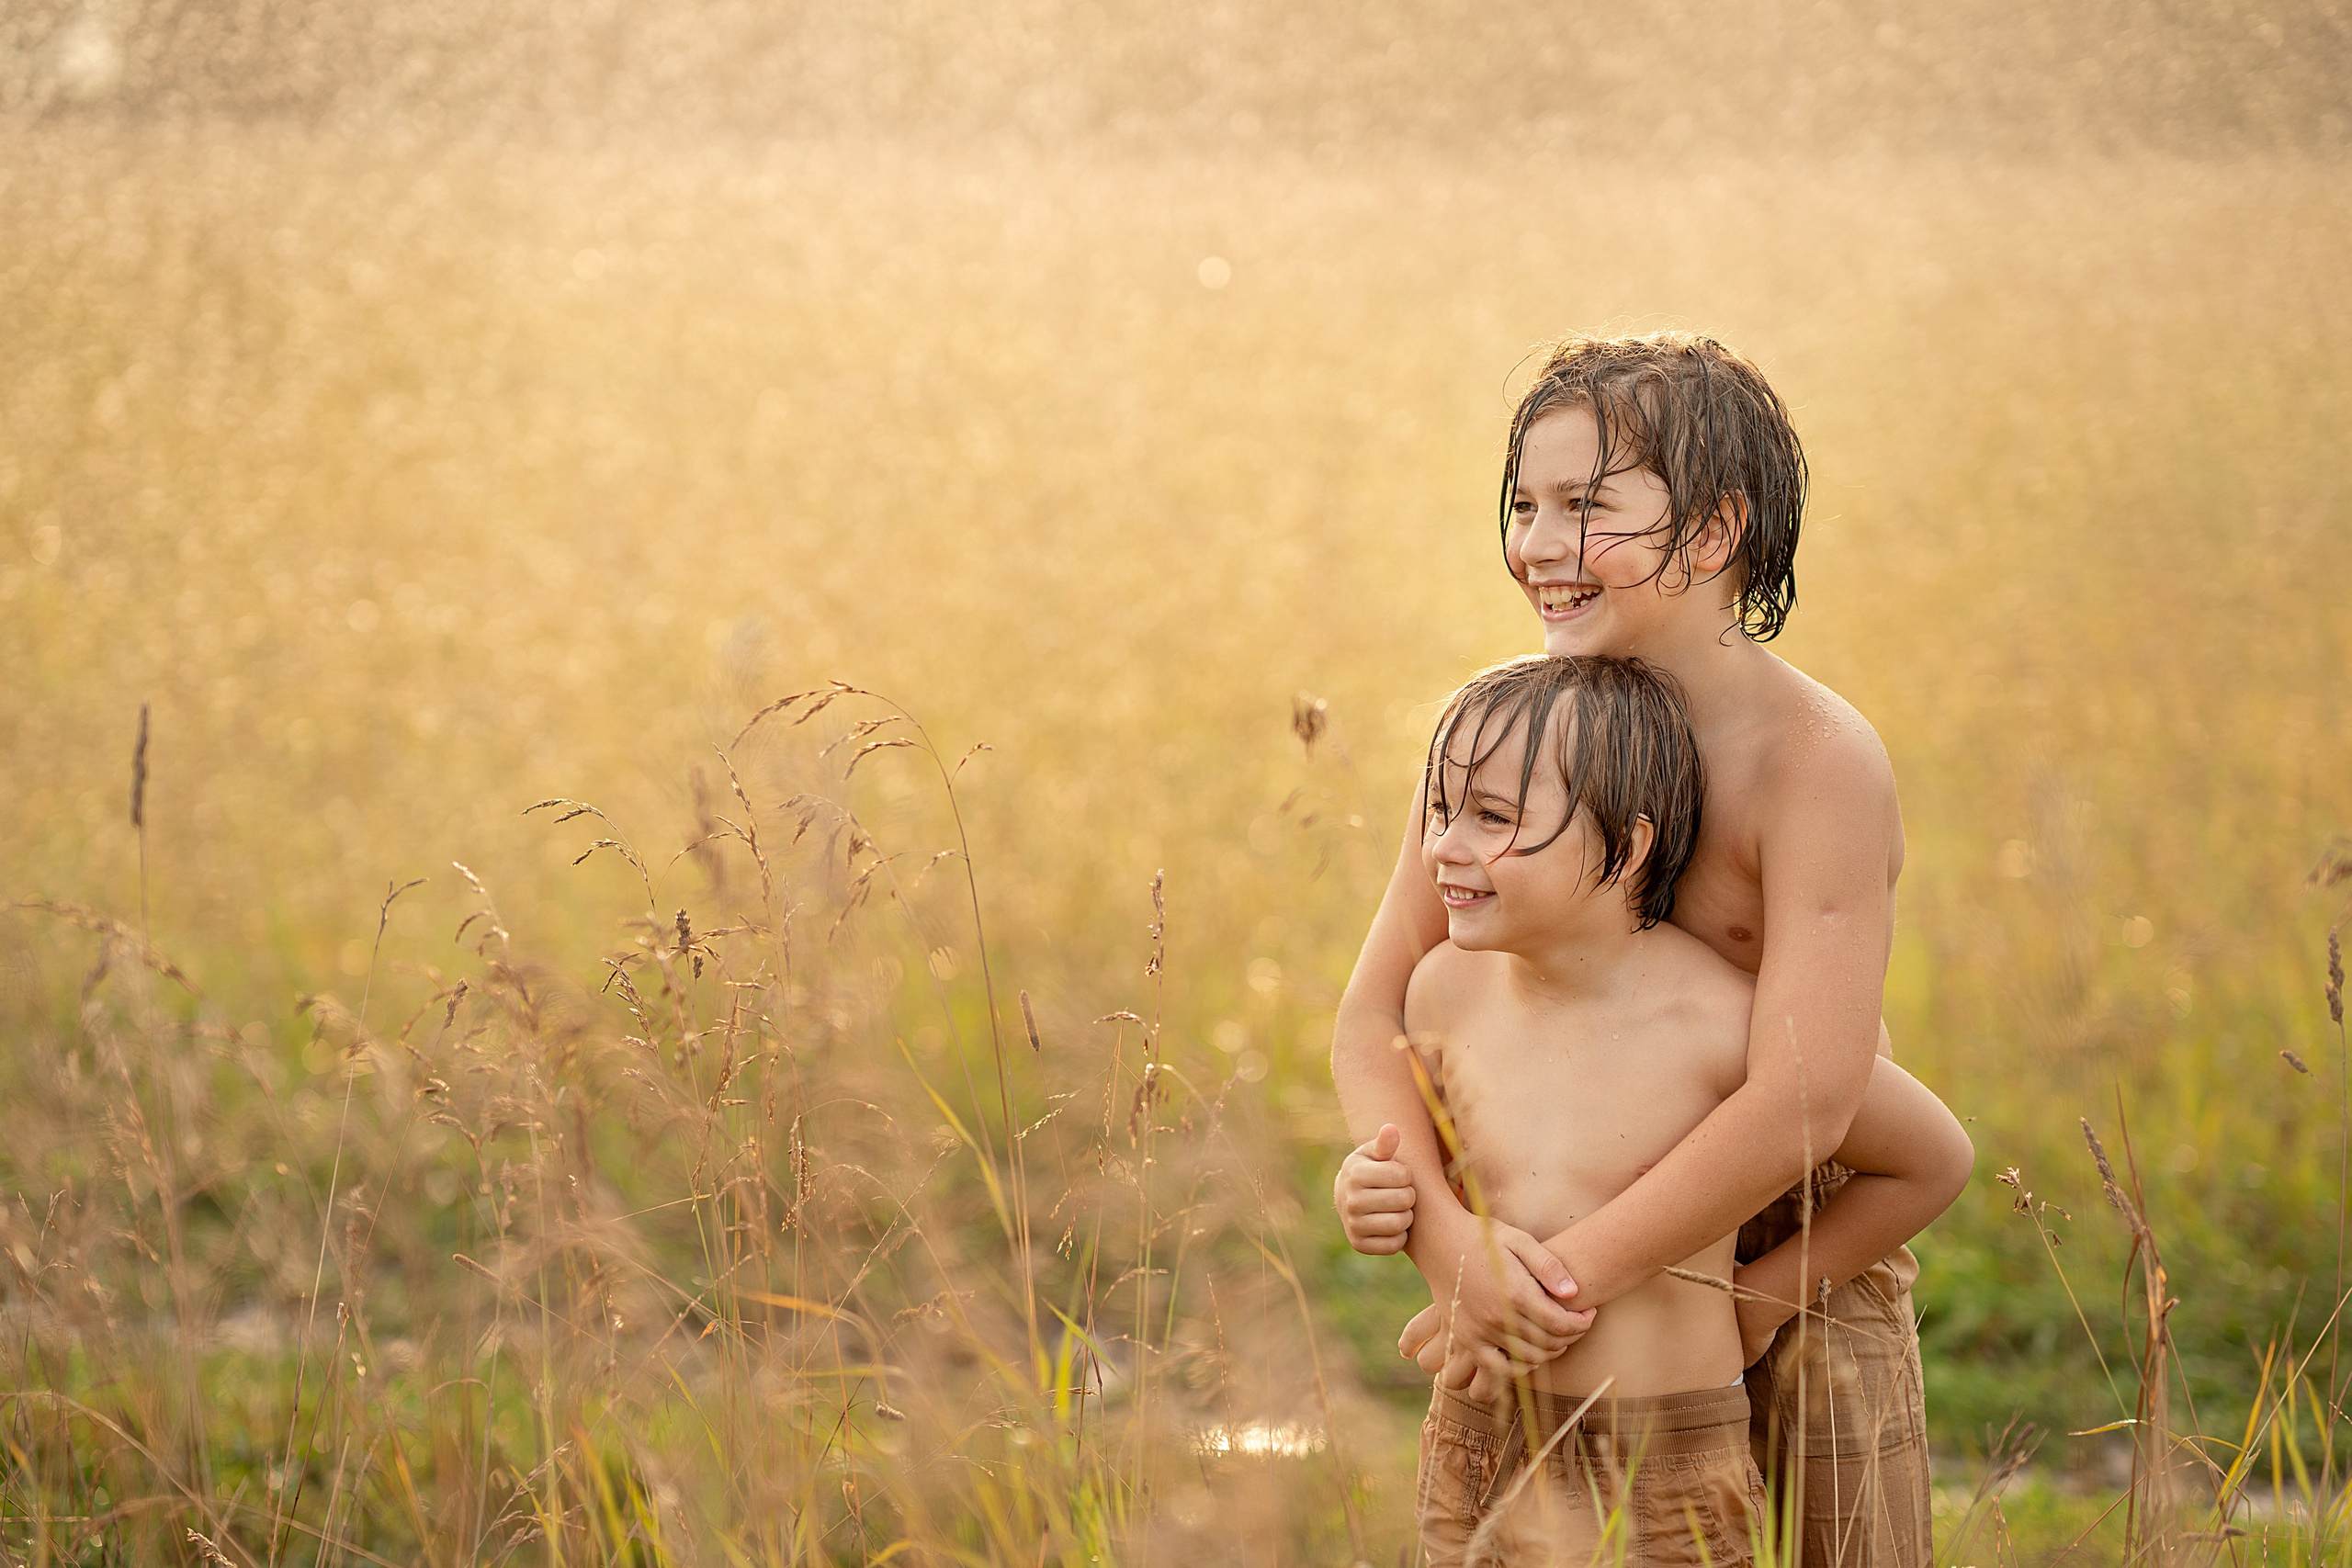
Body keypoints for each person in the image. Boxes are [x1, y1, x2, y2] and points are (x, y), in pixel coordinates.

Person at [1332, 333, 1945, 1568]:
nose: (1539, 545)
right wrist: (1457, 1249)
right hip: (1544, 1249)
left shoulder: (1811, 759)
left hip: (1790, 1248)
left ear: (1714, 533)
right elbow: (1376, 1013)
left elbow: (1811, 1095)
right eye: (1524, 504)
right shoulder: (1500, 737)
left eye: (1585, 507)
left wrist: (1623, 1285)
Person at [1399, 653, 1973, 1566]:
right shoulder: (1443, 993)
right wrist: (1389, 1200)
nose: (1441, 848)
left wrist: (1754, 1305)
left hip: (1666, 1463)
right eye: (1439, 811)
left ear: (1625, 850)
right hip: (1485, 1427)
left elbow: (1931, 1158)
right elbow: (1445, 1156)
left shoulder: (1723, 1023)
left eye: (1493, 818)